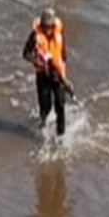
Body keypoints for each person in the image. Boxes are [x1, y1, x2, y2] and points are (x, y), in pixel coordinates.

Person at [22, 7, 74, 136]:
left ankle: (61, 135)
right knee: (46, 106)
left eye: (50, 27)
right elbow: (25, 53)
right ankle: (42, 127)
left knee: (60, 105)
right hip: (43, 75)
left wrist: (63, 74)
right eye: (45, 27)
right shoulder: (35, 35)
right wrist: (36, 61)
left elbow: (63, 52)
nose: (47, 30)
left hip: (58, 75)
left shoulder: (59, 30)